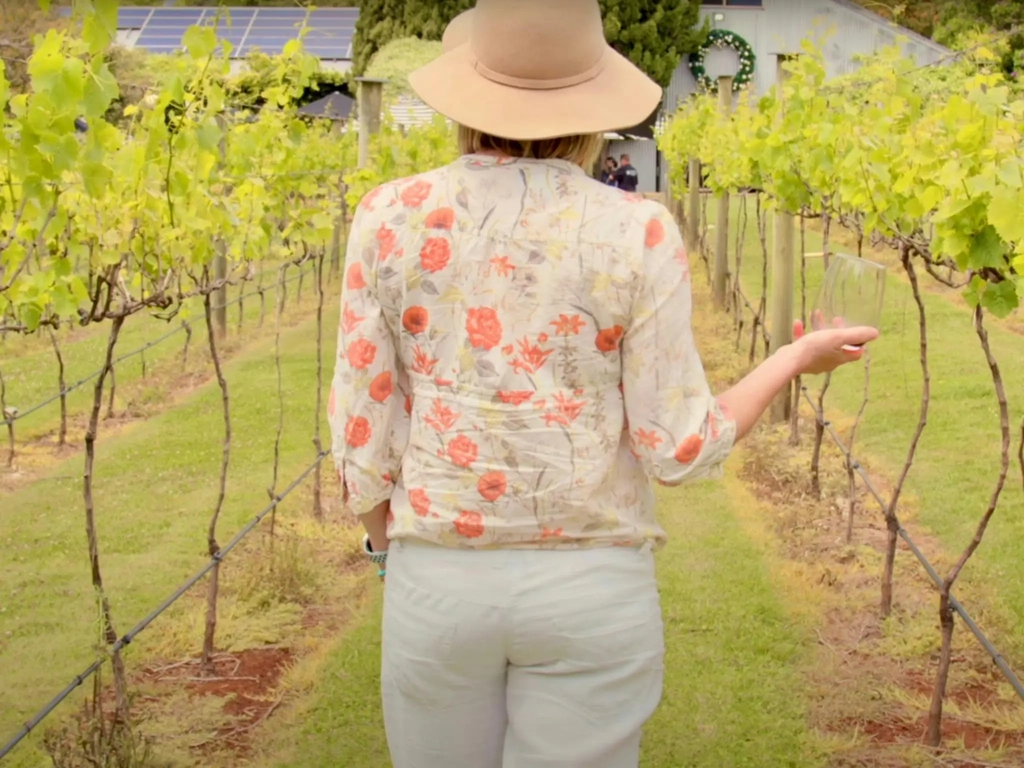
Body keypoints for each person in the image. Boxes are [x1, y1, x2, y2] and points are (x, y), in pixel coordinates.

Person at [328, 1, 878, 766]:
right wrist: (792, 359)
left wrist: (395, 554)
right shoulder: (637, 229)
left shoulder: (387, 216)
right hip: (591, 589)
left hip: (439, 581)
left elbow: (361, 427)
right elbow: (677, 446)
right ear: (590, 110)